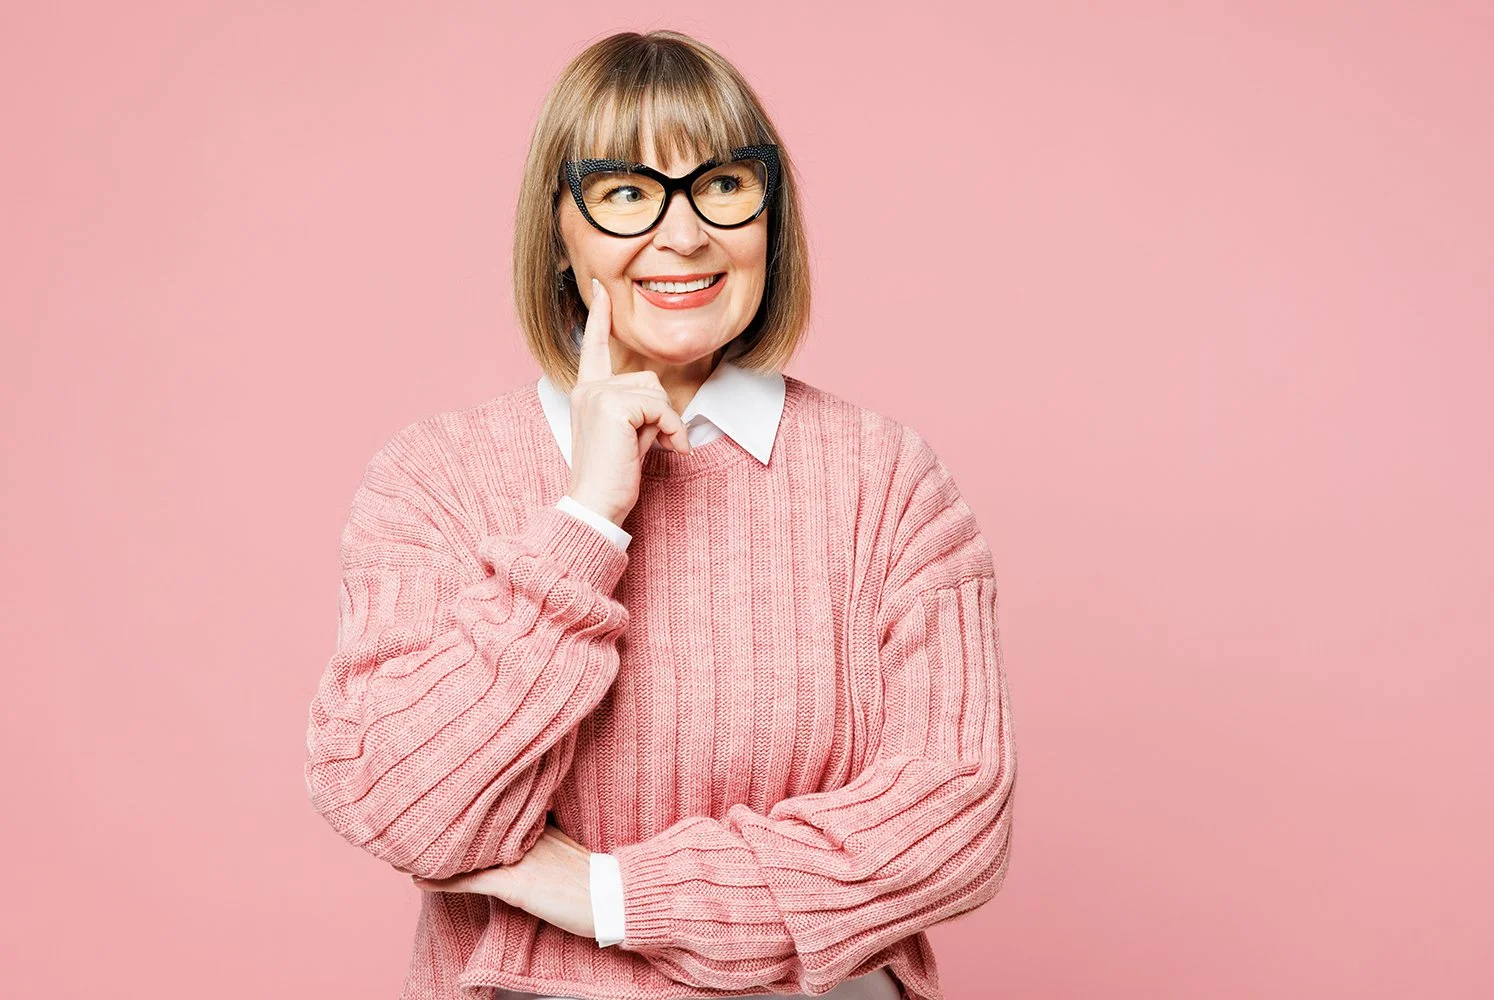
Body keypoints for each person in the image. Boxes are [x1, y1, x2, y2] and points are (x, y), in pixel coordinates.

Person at [303, 29, 1017, 1000]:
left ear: (773, 214)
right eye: (627, 192)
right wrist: (588, 520)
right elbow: (397, 800)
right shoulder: (435, 478)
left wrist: (611, 894)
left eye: (722, 185)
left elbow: (955, 819)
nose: (683, 236)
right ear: (557, 229)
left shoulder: (887, 481)